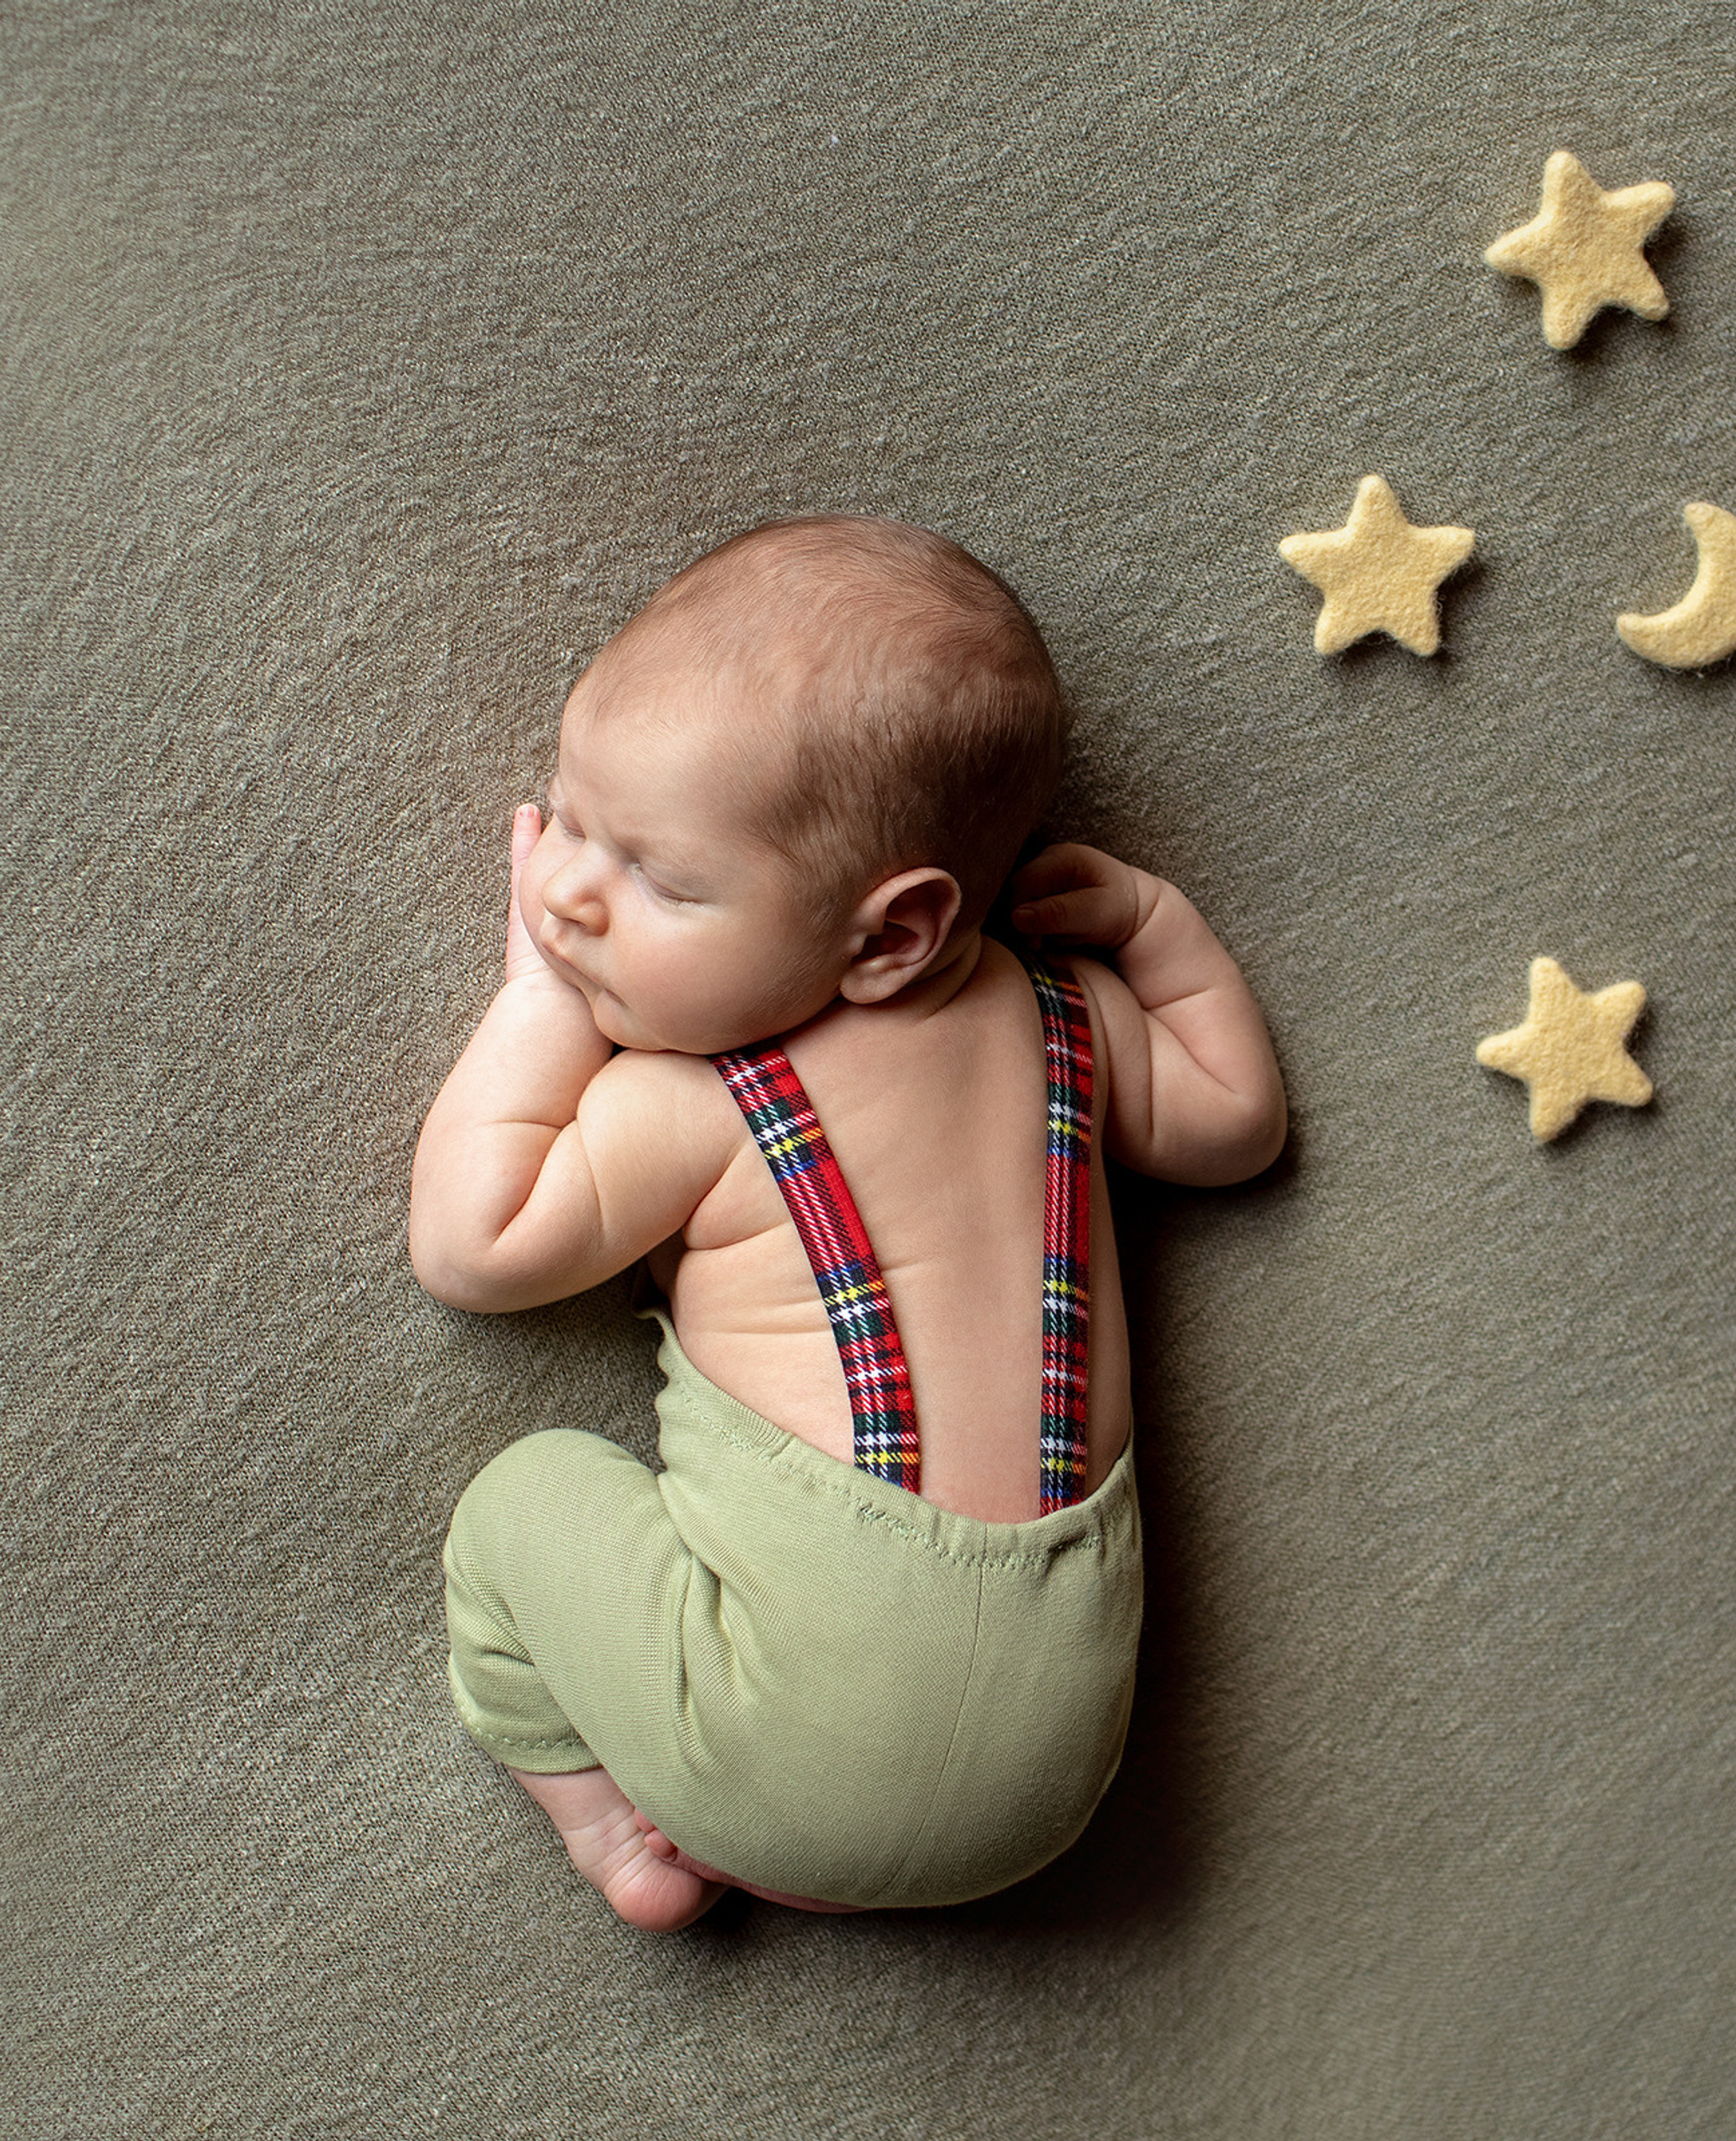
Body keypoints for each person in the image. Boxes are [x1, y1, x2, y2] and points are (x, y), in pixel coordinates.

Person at [410, 514, 1286, 1929]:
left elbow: (472, 1245)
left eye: (658, 879)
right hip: (1056, 1785)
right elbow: (1239, 1122)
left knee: (516, 1504)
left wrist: (537, 1008)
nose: (569, 894)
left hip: (764, 1751)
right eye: (569, 817)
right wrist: (1156, 924)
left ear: (890, 936)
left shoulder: (700, 1103)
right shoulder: (1071, 1023)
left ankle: (608, 1823)